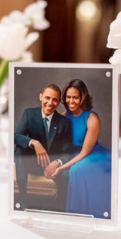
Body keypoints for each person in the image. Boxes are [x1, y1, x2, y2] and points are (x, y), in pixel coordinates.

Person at [48, 79, 112, 219]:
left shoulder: (92, 118)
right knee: (73, 170)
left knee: (76, 171)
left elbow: (84, 152)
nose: (71, 101)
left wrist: (61, 167)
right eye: (68, 97)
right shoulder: (64, 115)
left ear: (83, 97)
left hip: (94, 154)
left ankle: (82, 215)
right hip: (73, 153)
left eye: (75, 97)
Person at [13, 84, 75, 211]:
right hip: (32, 164)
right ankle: (23, 200)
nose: (50, 103)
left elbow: (68, 151)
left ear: (58, 103)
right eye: (47, 98)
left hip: (53, 167)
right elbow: (16, 136)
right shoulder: (29, 114)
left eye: (55, 100)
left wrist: (57, 163)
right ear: (41, 97)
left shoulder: (65, 123)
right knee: (19, 149)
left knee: (66, 175)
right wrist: (34, 143)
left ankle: (60, 209)